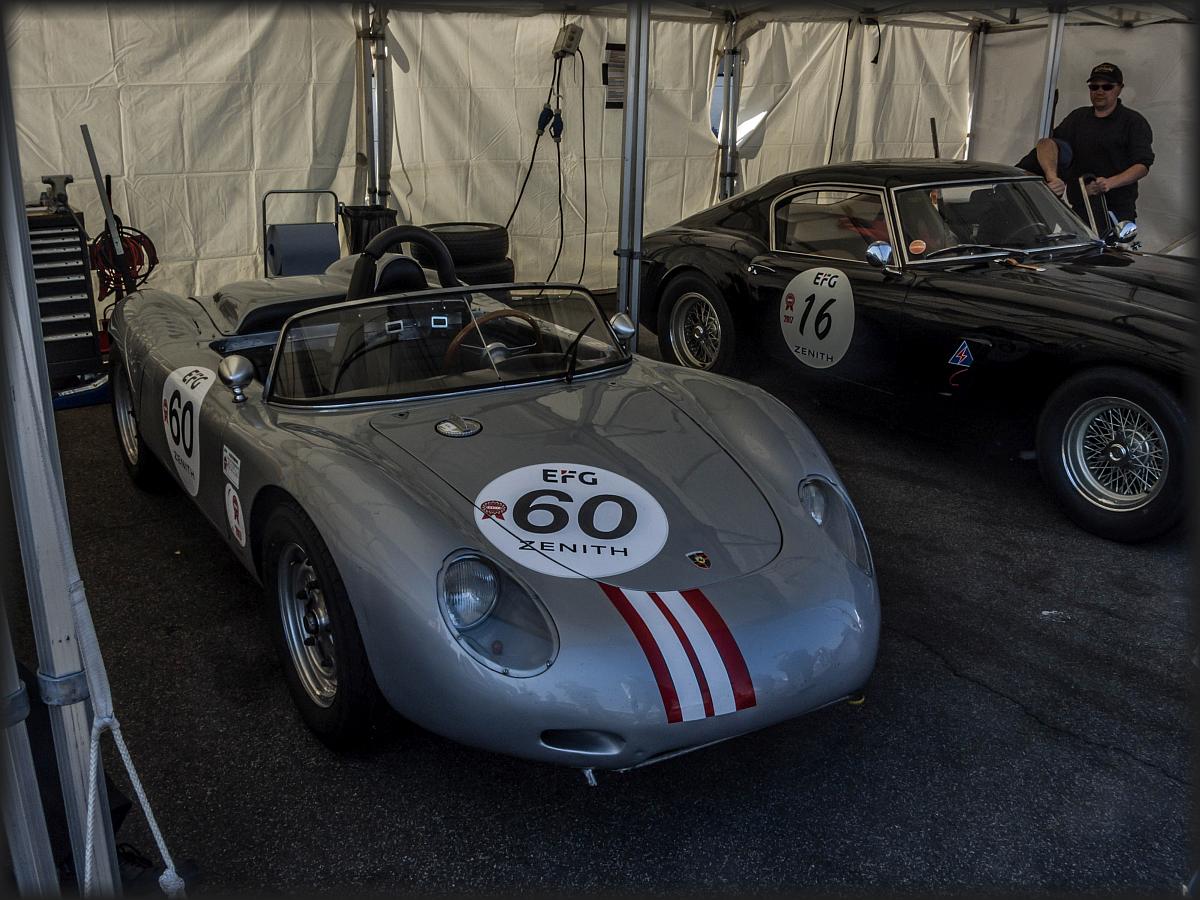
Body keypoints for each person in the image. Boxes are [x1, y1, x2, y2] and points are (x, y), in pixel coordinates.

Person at [1034, 62, 1155, 223]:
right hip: (1079, 211)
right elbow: (1047, 144)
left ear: (1119, 88)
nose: (1099, 91)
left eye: (1107, 87)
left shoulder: (1133, 121)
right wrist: (1052, 177)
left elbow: (1142, 166)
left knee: (1111, 248)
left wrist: (1108, 183)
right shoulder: (1078, 117)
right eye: (1094, 87)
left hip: (1116, 213)